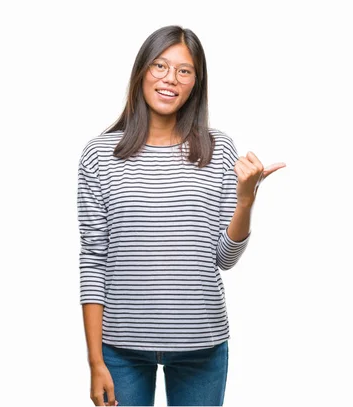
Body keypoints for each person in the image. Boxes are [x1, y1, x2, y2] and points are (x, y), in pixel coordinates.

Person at [77, 25, 285, 406]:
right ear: (141, 71)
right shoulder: (99, 155)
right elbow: (93, 259)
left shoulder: (218, 148)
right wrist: (95, 361)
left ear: (196, 82)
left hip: (201, 346)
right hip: (121, 349)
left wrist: (245, 200)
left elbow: (224, 259)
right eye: (160, 66)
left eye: (184, 70)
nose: (170, 79)